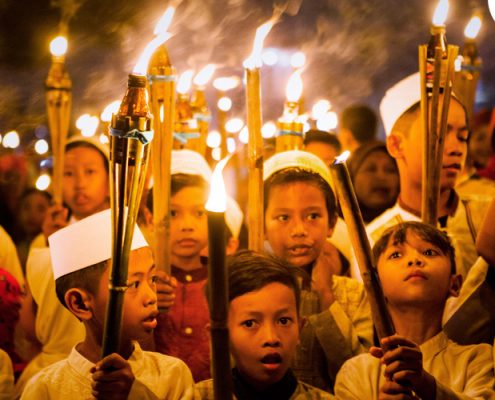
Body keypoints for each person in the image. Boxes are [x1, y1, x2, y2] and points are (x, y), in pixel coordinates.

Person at [21, 209, 194, 399]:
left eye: (152, 278)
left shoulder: (172, 375)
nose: (151, 296)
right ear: (80, 304)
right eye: (133, 284)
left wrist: (136, 394)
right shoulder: (45, 389)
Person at [335, 221, 495, 399]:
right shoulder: (357, 372)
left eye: (429, 252)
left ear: (455, 284)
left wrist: (426, 384)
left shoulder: (476, 359)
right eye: (396, 255)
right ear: (377, 287)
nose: (414, 260)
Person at [263, 150, 373, 392]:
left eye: (313, 216)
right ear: (261, 225)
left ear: (332, 223)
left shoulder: (354, 296)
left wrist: (326, 297)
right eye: (283, 217)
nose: (299, 230)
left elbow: (361, 374)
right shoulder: (248, 293)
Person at [367, 72, 492, 281]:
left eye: (462, 137)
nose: (456, 148)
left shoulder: (486, 218)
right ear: (396, 145)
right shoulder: (371, 240)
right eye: (439, 135)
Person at [15, 135, 110, 395]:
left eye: (90, 172)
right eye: (68, 174)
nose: (79, 184)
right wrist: (51, 244)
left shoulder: (127, 235)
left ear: (110, 180)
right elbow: (32, 320)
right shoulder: (42, 242)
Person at [195, 250, 333, 399]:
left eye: (283, 321)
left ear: (299, 328)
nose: (271, 338)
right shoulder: (194, 396)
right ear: (218, 337)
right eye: (250, 323)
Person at [347, 141, 400, 224]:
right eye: (371, 169)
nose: (381, 177)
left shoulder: (410, 226)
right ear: (351, 177)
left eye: (390, 170)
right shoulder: (338, 229)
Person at [13, 188, 52, 271]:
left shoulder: (52, 250)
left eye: (41, 209)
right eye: (26, 207)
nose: (32, 215)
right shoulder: (14, 249)